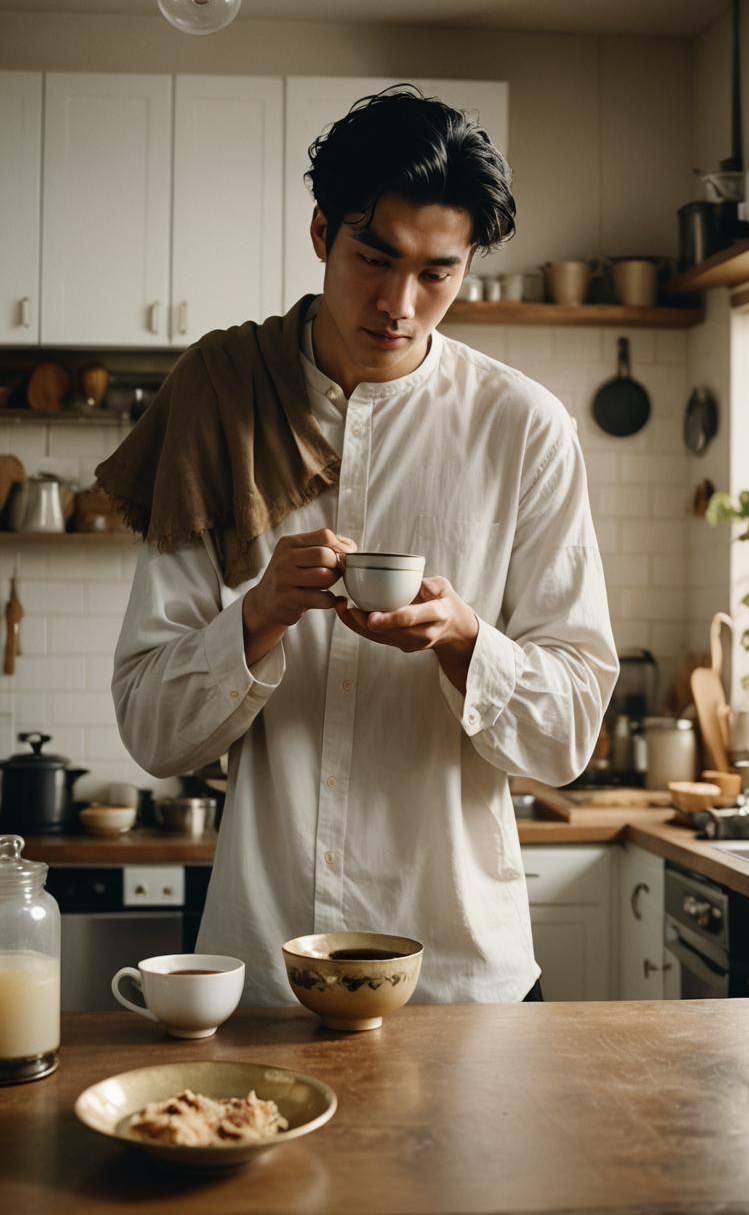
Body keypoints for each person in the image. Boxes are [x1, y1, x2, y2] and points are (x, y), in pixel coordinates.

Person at [101, 87, 618, 1006]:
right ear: (319, 233)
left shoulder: (524, 429)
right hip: (267, 971)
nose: (398, 303)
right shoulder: (221, 397)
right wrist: (256, 617)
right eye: (373, 258)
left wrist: (464, 641)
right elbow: (151, 729)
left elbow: (571, 729)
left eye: (437, 273)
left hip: (459, 979)